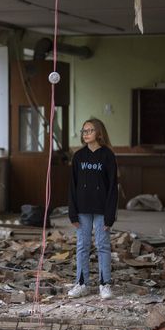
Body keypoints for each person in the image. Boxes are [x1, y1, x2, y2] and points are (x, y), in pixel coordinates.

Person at [67, 118, 118, 299]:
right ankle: (82, 283)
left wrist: (110, 215)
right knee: (82, 246)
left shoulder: (108, 156)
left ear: (99, 133)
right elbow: (72, 186)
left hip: (102, 210)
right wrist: (72, 212)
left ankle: (104, 284)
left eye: (89, 130)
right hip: (82, 210)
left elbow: (112, 188)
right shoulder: (79, 157)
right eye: (84, 131)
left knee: (103, 246)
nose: (86, 134)